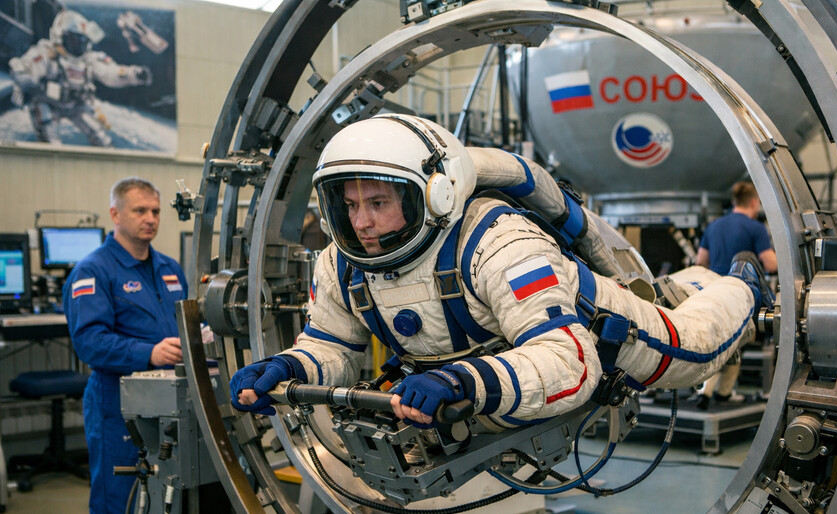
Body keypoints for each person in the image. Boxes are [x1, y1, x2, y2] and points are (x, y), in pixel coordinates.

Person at [230, 114, 774, 429]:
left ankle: (741, 285)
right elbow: (334, 346)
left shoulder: (496, 242)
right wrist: (290, 367)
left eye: (377, 202)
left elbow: (568, 361)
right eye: (349, 205)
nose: (362, 223)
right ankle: (691, 283)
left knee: (693, 347)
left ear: (435, 195)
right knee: (674, 296)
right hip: (489, 368)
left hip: (596, 320)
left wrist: (464, 379)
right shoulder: (343, 263)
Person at [63, 177, 188, 514]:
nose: (150, 219)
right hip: (117, 404)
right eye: (140, 211)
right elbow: (90, 342)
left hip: (170, 400)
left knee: (167, 491)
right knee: (118, 496)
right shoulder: (93, 271)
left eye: (156, 211)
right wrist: (149, 353)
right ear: (115, 214)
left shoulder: (170, 269)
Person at [7, 9, 152, 146]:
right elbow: (23, 67)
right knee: (47, 133)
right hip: (48, 102)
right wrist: (24, 80)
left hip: (77, 105)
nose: (78, 45)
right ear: (60, 36)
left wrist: (134, 74)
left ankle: (106, 157)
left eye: (82, 41)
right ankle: (50, 155)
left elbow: (111, 73)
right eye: (74, 40)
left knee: (100, 136)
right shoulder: (47, 53)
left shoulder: (89, 60)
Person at [694, 181, 778, 409]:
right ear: (754, 202)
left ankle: (710, 391)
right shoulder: (755, 228)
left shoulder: (714, 226)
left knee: (718, 340)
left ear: (733, 202)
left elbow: (701, 262)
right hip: (740, 296)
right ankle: (719, 392)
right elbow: (770, 264)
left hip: (714, 292)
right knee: (734, 343)